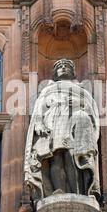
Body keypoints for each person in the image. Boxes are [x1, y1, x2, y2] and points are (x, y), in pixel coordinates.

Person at [24, 59, 100, 203]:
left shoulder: (82, 89)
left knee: (72, 156)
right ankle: (57, 190)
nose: (63, 68)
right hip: (53, 124)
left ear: (73, 72)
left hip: (75, 124)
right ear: (55, 73)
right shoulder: (47, 89)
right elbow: (38, 110)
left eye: (67, 66)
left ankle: (78, 192)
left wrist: (80, 104)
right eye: (60, 66)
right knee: (55, 157)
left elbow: (92, 110)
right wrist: (39, 123)